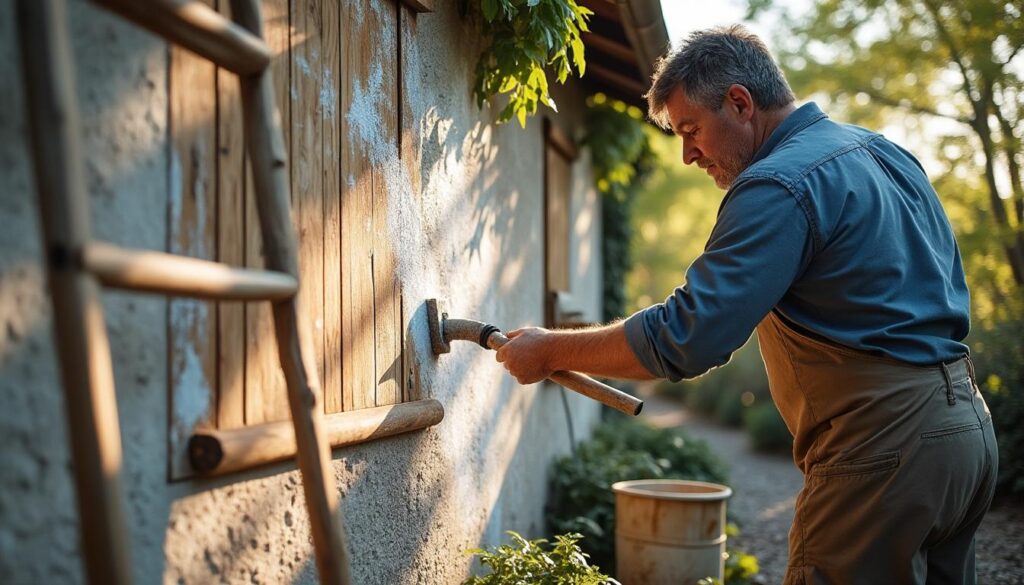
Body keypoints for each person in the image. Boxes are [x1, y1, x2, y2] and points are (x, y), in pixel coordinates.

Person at [495, 25, 998, 584]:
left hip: (884, 452)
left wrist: (549, 350)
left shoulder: (779, 184)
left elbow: (688, 336)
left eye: (691, 130)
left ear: (740, 103)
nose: (687, 154)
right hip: (966, 431)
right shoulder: (887, 155)